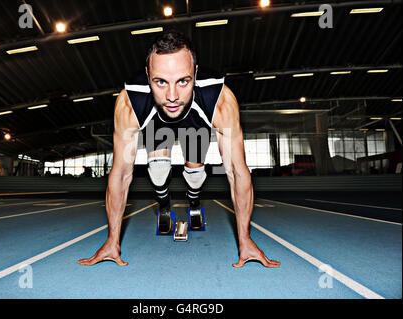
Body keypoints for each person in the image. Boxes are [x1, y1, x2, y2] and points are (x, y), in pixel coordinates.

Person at [78, 30, 280, 268]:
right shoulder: (130, 102)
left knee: (195, 175)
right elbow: (121, 174)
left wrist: (245, 240)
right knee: (158, 172)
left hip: (196, 123)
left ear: (195, 73)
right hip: (156, 122)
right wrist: (112, 241)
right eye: (160, 81)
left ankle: (194, 203)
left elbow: (237, 172)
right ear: (147, 75)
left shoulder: (219, 99)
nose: (172, 96)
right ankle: (164, 206)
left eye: (183, 81)